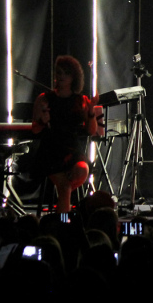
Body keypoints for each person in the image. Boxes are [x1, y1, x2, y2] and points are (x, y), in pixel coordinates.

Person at [32, 55, 99, 213]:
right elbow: (34, 129)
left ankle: (62, 217)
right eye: (59, 72)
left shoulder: (81, 100)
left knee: (81, 171)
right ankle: (63, 223)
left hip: (73, 150)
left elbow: (91, 131)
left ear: (73, 77)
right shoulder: (44, 98)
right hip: (51, 151)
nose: (61, 76)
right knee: (65, 187)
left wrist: (91, 111)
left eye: (66, 73)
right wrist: (42, 120)